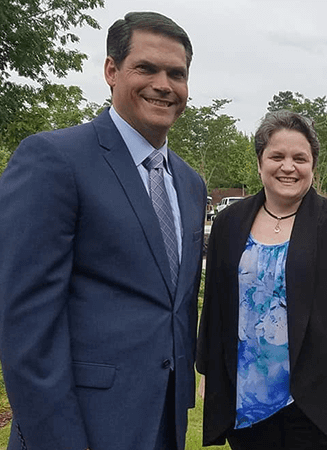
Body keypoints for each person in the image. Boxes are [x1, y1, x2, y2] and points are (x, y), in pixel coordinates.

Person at [0, 12, 206, 450]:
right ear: (111, 71)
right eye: (146, 68)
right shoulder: (54, 160)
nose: (164, 84)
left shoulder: (189, 183)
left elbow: (175, 307)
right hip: (80, 427)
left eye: (177, 74)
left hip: (164, 423)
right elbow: (26, 329)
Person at [197, 110, 327, 450]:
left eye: (300, 158)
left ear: (313, 165)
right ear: (259, 162)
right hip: (247, 397)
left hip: (315, 399)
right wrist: (209, 372)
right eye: (277, 156)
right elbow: (216, 304)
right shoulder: (229, 223)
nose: (288, 166)